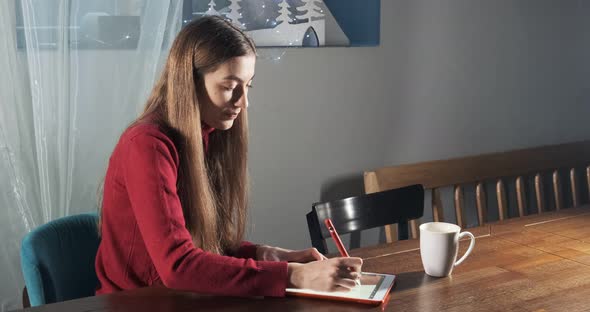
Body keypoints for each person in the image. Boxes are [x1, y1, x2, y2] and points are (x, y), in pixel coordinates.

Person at [95, 16, 362, 298]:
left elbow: (205, 245)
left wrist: (269, 255)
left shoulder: (206, 133)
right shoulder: (147, 145)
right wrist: (293, 275)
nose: (243, 102)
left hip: (182, 300)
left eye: (247, 86)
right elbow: (178, 265)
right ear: (189, 82)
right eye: (228, 87)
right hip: (135, 304)